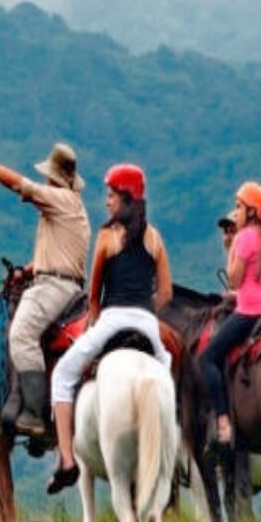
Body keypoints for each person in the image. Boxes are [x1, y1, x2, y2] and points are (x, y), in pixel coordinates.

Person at [47, 164, 173, 494]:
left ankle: (66, 459)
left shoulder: (107, 237)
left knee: (61, 375)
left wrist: (93, 320)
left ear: (126, 197)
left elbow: (93, 295)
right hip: (147, 323)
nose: (106, 201)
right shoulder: (155, 237)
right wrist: (146, 311)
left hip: (112, 319)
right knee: (168, 376)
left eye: (111, 195)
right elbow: (167, 293)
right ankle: (171, 452)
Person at [0, 142, 90, 437]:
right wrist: (26, 270)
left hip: (54, 286)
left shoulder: (59, 198)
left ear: (53, 177)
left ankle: (34, 414)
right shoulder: (71, 207)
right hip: (60, 281)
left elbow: (19, 185)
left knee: (21, 334)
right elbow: (61, 254)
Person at [196, 182, 261, 442]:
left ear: (252, 212)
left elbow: (233, 279)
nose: (236, 212)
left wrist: (233, 249)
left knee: (208, 357)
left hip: (250, 311)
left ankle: (223, 419)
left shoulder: (245, 238)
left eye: (239, 207)